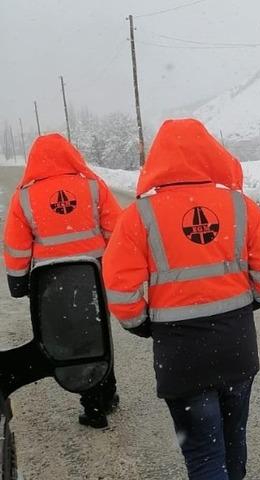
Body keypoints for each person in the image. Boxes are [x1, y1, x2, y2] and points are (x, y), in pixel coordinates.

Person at [102, 118, 260, 480]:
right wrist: (248, 305)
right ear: (211, 154)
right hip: (237, 346)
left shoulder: (139, 215)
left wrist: (142, 325)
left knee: (203, 453)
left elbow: (121, 290)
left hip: (180, 355)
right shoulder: (240, 206)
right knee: (234, 440)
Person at [3, 133, 122, 428]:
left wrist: (18, 282)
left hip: (51, 286)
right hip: (94, 278)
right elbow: (116, 232)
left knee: (70, 340)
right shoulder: (93, 187)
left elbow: (17, 246)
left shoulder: (25, 196)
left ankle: (93, 403)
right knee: (98, 334)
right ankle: (105, 393)